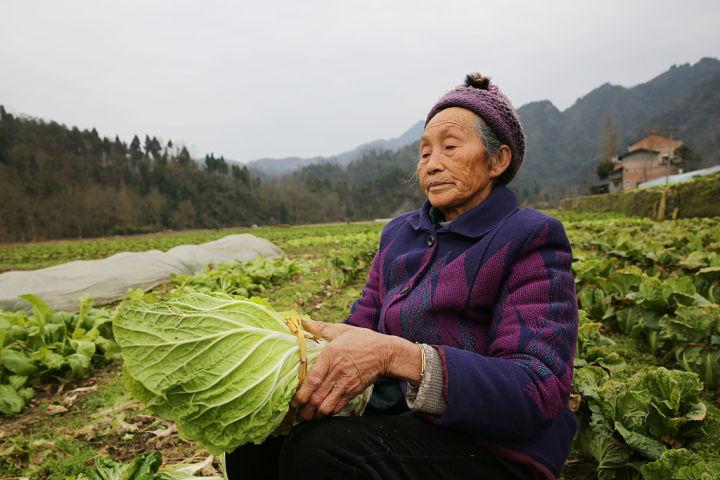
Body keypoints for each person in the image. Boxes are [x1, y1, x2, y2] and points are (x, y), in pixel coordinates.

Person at [226, 74, 579, 480]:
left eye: (449, 147)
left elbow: (537, 389)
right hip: (397, 421)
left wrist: (400, 356)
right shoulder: (399, 234)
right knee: (256, 443)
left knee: (321, 454)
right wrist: (301, 364)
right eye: (424, 152)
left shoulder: (529, 238)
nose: (432, 163)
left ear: (497, 161)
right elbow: (362, 324)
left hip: (490, 446)